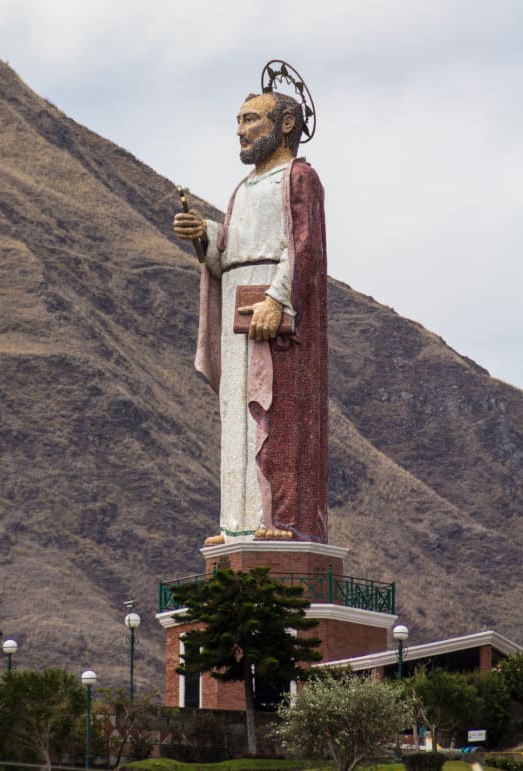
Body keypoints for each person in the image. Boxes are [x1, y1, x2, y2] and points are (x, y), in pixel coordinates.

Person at [173, 88, 328, 545]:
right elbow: (225, 258)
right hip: (237, 315)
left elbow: (305, 246)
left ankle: (279, 519)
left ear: (284, 124)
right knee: (238, 419)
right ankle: (236, 521)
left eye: (251, 120)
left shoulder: (299, 178)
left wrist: (279, 299)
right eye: (238, 122)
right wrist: (205, 235)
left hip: (276, 321)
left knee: (276, 415)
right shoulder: (242, 190)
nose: (240, 131)